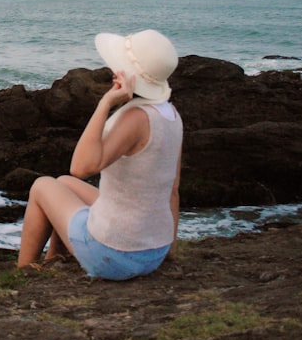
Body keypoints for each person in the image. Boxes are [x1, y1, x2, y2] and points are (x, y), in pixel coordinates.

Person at [17, 29, 183, 280]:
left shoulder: (135, 119)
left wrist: (105, 103)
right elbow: (173, 189)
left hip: (113, 256)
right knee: (63, 184)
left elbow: (81, 167)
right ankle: (54, 259)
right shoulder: (171, 116)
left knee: (42, 186)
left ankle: (24, 272)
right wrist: (168, 249)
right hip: (153, 253)